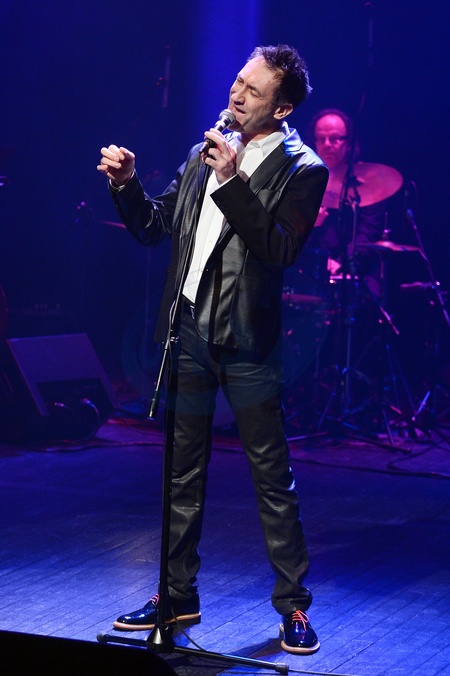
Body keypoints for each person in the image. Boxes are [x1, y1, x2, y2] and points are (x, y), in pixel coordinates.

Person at [97, 44, 328, 655]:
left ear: (281, 108)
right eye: (237, 81)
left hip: (248, 340)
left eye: (253, 90)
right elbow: (155, 227)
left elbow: (279, 249)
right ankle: (175, 596)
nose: (237, 94)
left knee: (271, 477)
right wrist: (127, 185)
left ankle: (294, 605)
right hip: (189, 333)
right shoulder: (207, 150)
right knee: (181, 472)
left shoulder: (303, 169)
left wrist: (231, 182)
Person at [304, 108, 402, 299]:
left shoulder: (367, 184)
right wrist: (308, 224)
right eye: (321, 139)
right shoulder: (303, 184)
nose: (327, 144)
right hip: (309, 273)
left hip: (355, 272)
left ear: (347, 143)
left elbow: (368, 234)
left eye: (335, 139)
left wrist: (342, 263)